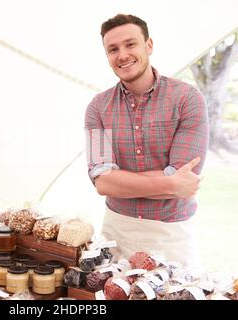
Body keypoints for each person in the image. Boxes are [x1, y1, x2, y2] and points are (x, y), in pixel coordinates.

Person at [84, 14, 209, 268]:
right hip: (116, 232)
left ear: (148, 46)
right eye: (113, 49)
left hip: (172, 235)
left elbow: (184, 179)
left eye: (131, 44)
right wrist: (169, 183)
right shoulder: (97, 107)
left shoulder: (187, 99)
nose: (122, 55)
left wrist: (122, 181)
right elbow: (103, 181)